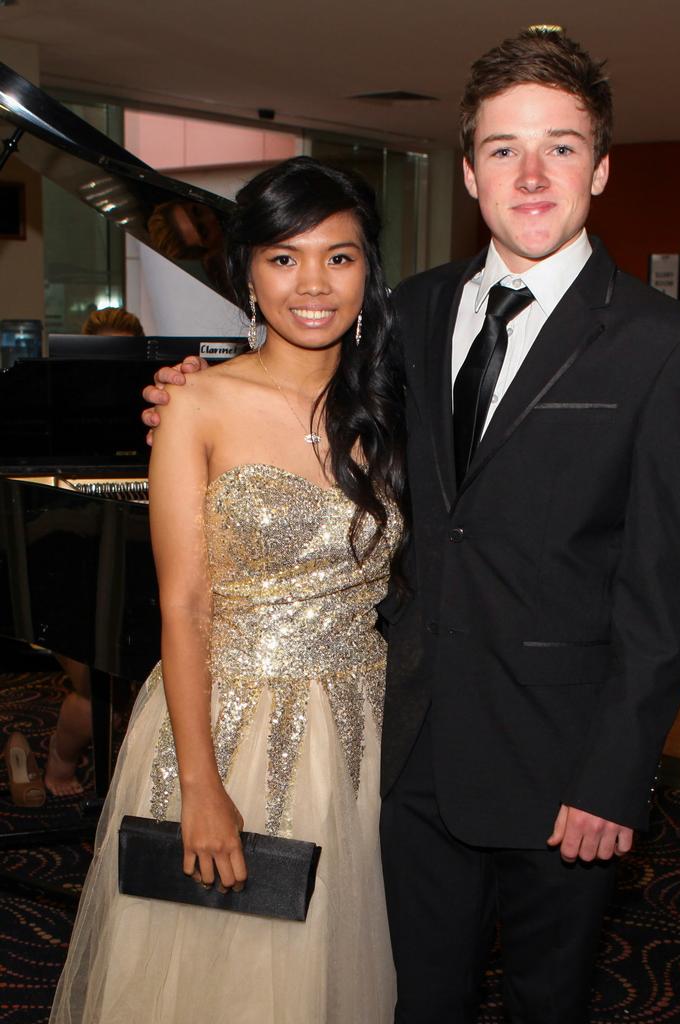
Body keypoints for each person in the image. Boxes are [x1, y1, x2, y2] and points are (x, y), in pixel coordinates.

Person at [143, 29, 680, 1024]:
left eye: (561, 146)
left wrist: (615, 778)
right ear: (468, 171)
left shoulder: (666, 346)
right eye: (504, 149)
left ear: (602, 166)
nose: (532, 174)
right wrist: (189, 389)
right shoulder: (410, 311)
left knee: (549, 1004)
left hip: (561, 772)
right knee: (418, 1002)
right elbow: (307, 387)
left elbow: (664, 592)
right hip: (404, 751)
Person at [50, 157, 405, 1024]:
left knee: (335, 964)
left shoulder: (396, 406)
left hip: (369, 721)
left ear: (369, 271)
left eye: (340, 256)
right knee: (230, 975)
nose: (313, 284)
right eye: (284, 258)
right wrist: (204, 786)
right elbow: (185, 606)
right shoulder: (196, 408)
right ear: (246, 272)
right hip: (229, 725)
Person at [46, 308, 146, 797]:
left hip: (140, 565)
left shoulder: (162, 409)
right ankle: (59, 765)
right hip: (73, 564)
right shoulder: (56, 417)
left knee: (145, 690)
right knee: (96, 690)